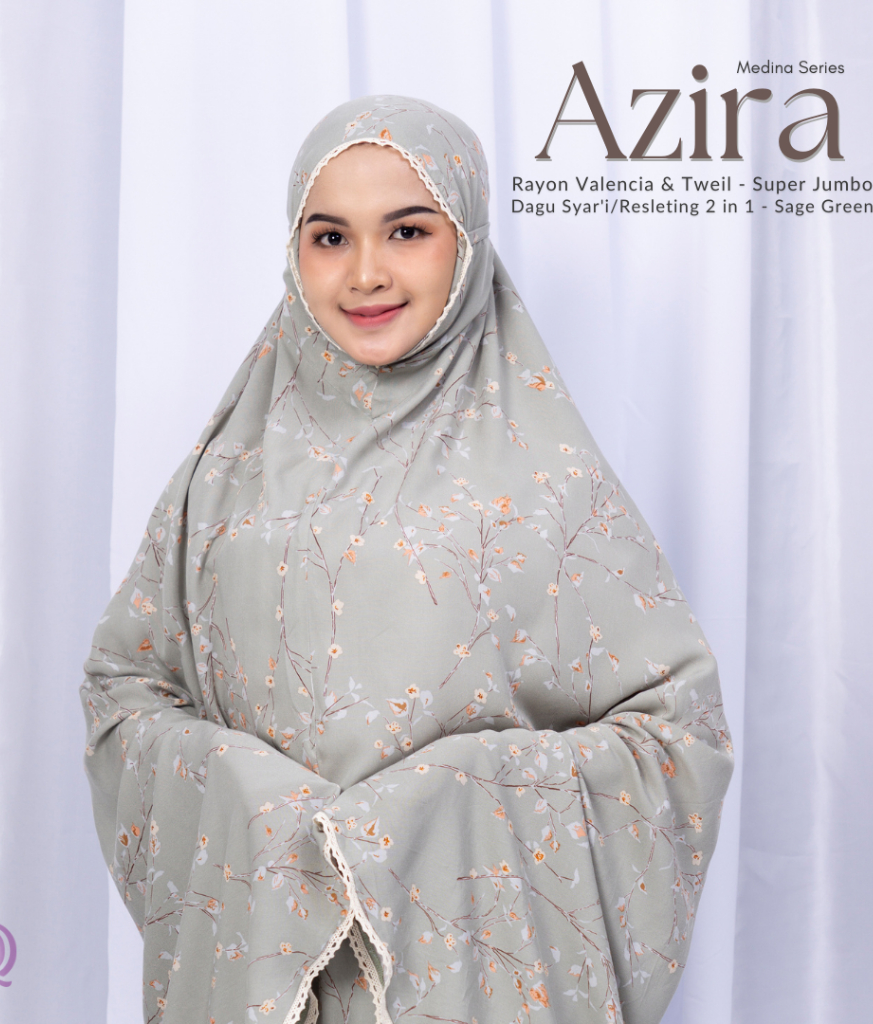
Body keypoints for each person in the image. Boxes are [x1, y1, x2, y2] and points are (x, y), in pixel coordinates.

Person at [81, 96, 733, 1024]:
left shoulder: (546, 485)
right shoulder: (227, 476)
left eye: (408, 231)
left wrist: (452, 799)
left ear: (467, 241)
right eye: (330, 237)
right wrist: (245, 796)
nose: (367, 273)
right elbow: (126, 688)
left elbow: (675, 737)